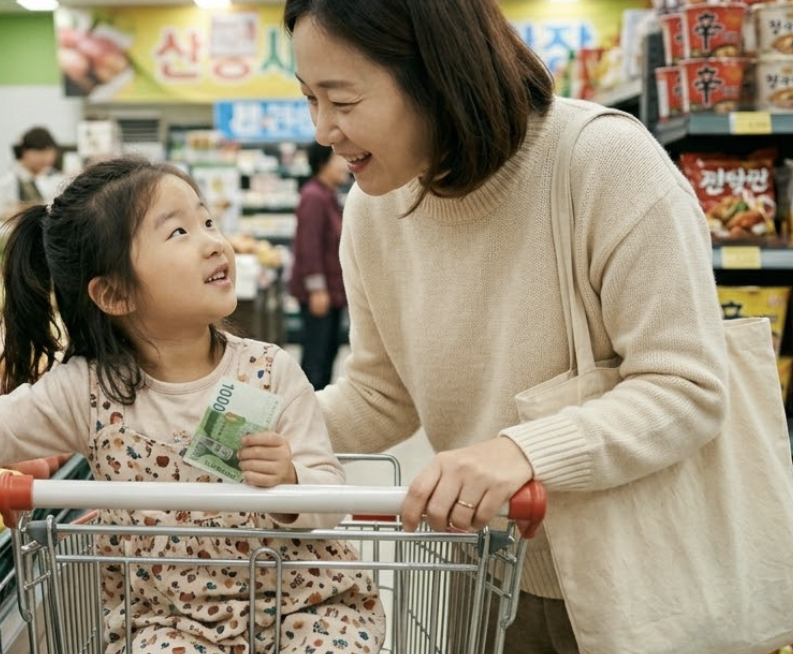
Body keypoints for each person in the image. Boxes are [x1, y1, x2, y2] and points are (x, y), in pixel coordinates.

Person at [0, 156, 385, 654]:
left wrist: (292, 485)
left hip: (300, 601)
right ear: (113, 293)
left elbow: (328, 494)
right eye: (179, 231)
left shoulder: (269, 371)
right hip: (175, 622)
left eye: (207, 222)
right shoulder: (89, 390)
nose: (212, 243)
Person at [285, 0, 736, 651]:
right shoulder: (372, 212)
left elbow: (686, 387)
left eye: (343, 101)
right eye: (309, 100)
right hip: (489, 573)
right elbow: (381, 393)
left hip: (639, 583)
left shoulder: (602, 162)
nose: (324, 129)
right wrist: (234, 426)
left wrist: (522, 452)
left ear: (436, 74)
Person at [288, 142, 349, 390]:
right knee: (316, 356)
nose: (345, 164)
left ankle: (320, 410)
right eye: (338, 159)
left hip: (332, 292)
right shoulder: (313, 196)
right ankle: (307, 413)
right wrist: (317, 289)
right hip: (320, 294)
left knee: (328, 351)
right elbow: (309, 246)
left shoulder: (327, 194)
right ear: (323, 164)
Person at [0, 126, 62, 221]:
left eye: (49, 152)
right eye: (39, 152)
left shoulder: (56, 178)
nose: (45, 158)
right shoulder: (7, 180)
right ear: (24, 152)